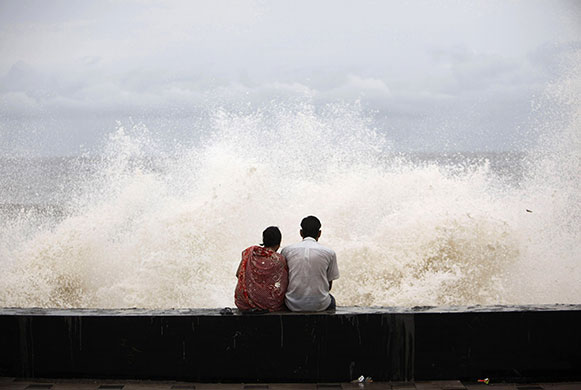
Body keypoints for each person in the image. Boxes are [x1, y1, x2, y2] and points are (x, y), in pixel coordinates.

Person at [281, 215, 339, 312]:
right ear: (319, 233)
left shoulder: (286, 251)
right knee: (331, 300)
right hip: (321, 304)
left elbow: (284, 280)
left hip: (292, 304)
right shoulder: (329, 253)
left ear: (301, 232)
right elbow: (329, 286)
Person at [235, 226, 288, 312]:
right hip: (269, 305)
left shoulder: (250, 252)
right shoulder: (279, 260)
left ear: (264, 240)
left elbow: (238, 274)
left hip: (245, 304)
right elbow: (283, 284)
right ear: (279, 244)